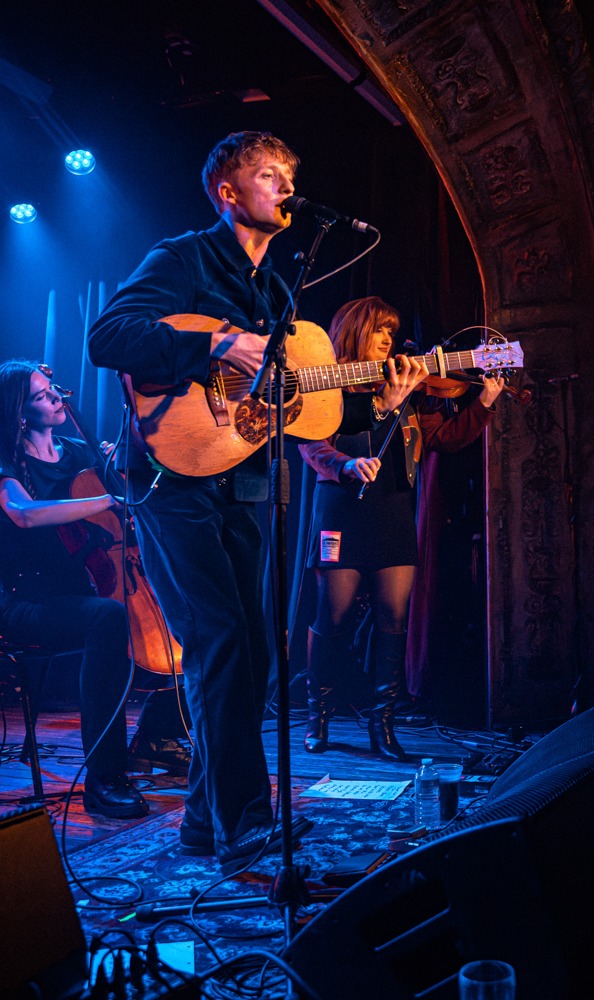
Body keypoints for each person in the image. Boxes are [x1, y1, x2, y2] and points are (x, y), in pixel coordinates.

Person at [87, 131, 428, 875]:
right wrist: (214, 347)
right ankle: (246, 820)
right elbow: (109, 335)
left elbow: (307, 413)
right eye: (267, 175)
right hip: (174, 484)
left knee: (260, 655)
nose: (283, 185)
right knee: (218, 642)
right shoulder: (182, 258)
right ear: (229, 193)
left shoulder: (278, 292)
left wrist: (390, 401)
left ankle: (206, 824)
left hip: (246, 482)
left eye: (287, 174)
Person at [298, 296, 504, 759]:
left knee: (394, 619)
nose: (389, 339)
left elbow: (442, 438)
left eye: (391, 332)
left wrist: (486, 400)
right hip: (341, 511)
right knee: (333, 616)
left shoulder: (407, 385)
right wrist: (348, 465)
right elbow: (311, 445)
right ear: (355, 332)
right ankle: (319, 715)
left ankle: (382, 726)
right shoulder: (328, 384)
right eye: (379, 331)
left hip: (391, 511)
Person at [0, 359, 147, 818]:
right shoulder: (7, 459)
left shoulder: (77, 452)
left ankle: (161, 736)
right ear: (21, 412)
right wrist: (104, 498)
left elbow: (126, 499)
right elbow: (22, 512)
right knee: (108, 618)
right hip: (25, 602)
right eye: (44, 395)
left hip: (80, 589)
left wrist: (120, 466)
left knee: (173, 613)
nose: (57, 399)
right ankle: (104, 777)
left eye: (54, 390)